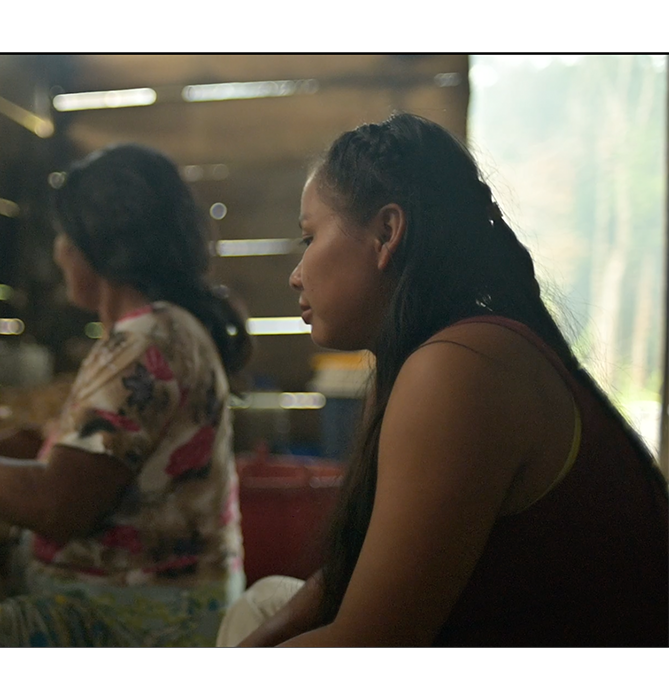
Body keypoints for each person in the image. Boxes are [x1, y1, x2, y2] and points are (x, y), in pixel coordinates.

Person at [218, 113, 668, 647]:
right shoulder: (440, 357)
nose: (297, 273)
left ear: (387, 232)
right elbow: (357, 573)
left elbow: (372, 644)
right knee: (265, 603)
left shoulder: (460, 369)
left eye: (308, 238)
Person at [0, 143, 251, 647]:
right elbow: (55, 451)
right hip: (162, 607)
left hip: (134, 625)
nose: (58, 251)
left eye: (64, 235)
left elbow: (58, 505)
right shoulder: (159, 330)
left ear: (93, 246)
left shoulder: (147, 342)